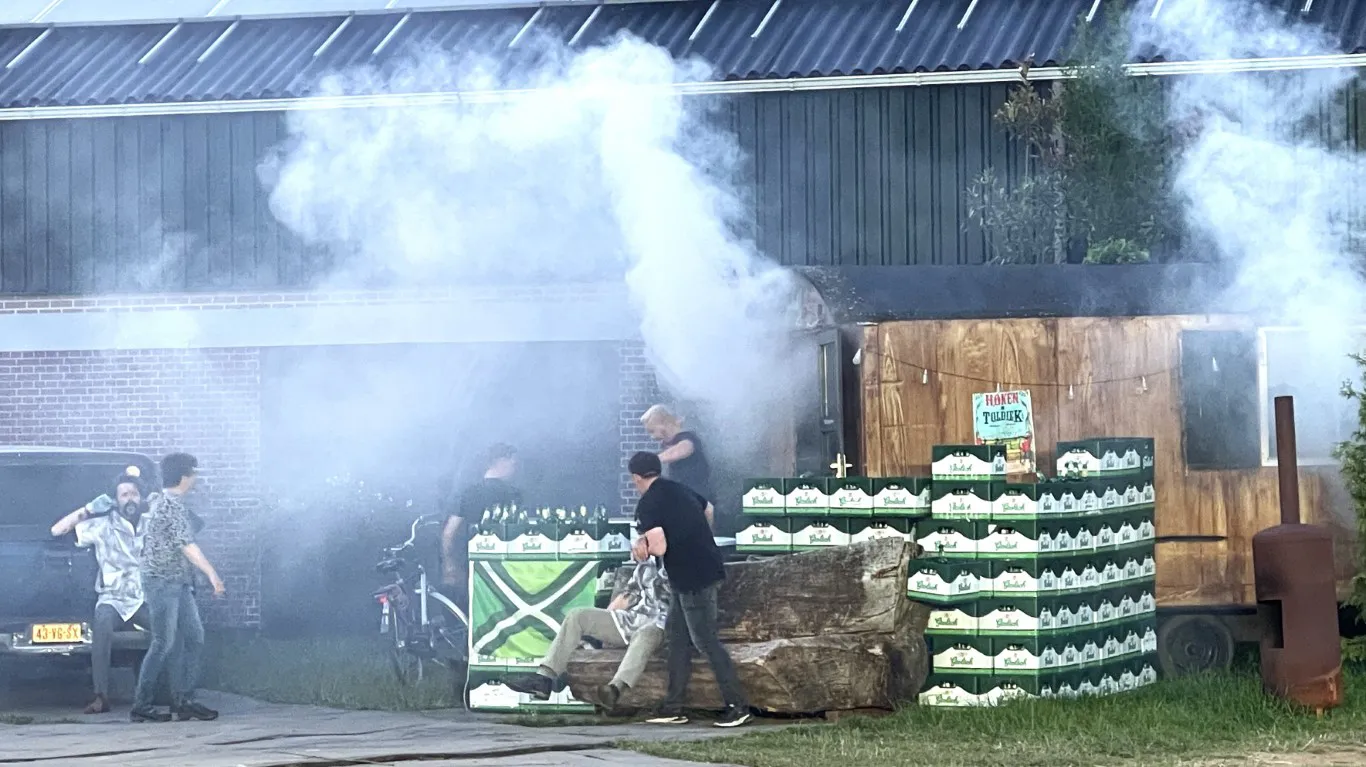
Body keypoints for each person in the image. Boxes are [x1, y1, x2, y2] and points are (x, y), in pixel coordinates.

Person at [628, 451, 751, 728]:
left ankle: (737, 706)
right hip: (704, 565)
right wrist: (694, 535)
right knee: (677, 638)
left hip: (690, 576)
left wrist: (641, 547)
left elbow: (659, 547)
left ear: (636, 478)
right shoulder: (679, 489)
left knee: (704, 640)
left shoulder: (648, 504)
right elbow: (708, 510)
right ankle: (673, 706)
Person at [130, 453, 226, 723]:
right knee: (163, 642)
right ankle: (142, 705)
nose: (196, 478)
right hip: (161, 582)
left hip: (178, 582)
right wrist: (213, 576)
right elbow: (188, 546)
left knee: (194, 636)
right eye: (194, 473)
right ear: (184, 477)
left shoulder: (167, 502)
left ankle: (184, 699)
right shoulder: (169, 506)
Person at [502, 557, 670, 708]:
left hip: (663, 625)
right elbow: (629, 595)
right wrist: (602, 624)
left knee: (645, 634)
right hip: (632, 619)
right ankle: (544, 679)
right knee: (577, 616)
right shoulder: (647, 562)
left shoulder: (681, 561)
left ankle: (615, 689)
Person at [50, 467, 151, 715]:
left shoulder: (151, 524)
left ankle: (155, 692)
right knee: (102, 629)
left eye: (134, 494)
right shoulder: (103, 525)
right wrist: (88, 509)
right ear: (115, 501)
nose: (129, 499)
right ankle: (101, 696)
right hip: (112, 598)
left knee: (166, 631)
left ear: (141, 498)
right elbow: (57, 530)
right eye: (124, 494)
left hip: (142, 597)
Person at [441, 443, 522, 594]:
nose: (515, 467)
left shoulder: (468, 493)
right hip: (508, 570)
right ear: (501, 460)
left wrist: (449, 564)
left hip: (473, 567)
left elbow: (449, 532)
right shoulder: (514, 496)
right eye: (513, 462)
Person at [641, 405, 714, 509]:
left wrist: (651, 460)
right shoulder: (672, 443)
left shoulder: (689, 438)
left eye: (652, 431)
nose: (652, 437)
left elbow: (683, 449)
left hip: (697, 503)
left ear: (665, 423)